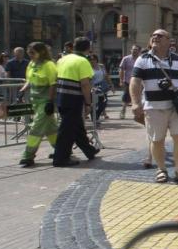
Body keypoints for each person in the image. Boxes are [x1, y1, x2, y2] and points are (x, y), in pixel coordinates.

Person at [131, 29, 178, 185]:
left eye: (160, 35)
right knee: (157, 141)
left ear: (169, 41)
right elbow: (135, 82)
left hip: (176, 107)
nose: (155, 37)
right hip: (153, 107)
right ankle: (161, 170)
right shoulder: (143, 59)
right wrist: (135, 102)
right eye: (153, 35)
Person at [52, 37, 100, 167]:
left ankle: (89, 151)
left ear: (73, 46)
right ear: (88, 48)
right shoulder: (83, 61)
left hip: (61, 97)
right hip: (73, 99)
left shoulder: (62, 59)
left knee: (76, 126)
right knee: (67, 130)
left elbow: (55, 79)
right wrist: (88, 103)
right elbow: (85, 84)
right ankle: (60, 158)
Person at [18, 42, 59, 167]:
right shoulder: (31, 64)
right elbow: (29, 80)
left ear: (41, 52)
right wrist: (22, 90)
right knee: (50, 129)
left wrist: (50, 102)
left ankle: (28, 155)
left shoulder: (49, 65)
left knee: (36, 127)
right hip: (35, 101)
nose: (29, 55)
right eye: (28, 52)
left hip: (45, 101)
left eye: (32, 53)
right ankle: (62, 149)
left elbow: (53, 84)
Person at [118, 45, 140, 119]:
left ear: (139, 51)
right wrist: (121, 80)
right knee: (126, 97)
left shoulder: (141, 59)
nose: (134, 51)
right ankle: (123, 111)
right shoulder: (126, 59)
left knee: (138, 98)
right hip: (128, 81)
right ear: (131, 50)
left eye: (136, 50)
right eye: (133, 49)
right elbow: (121, 70)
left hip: (139, 82)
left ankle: (137, 113)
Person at [89, 54, 111, 123]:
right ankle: (94, 119)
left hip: (102, 87)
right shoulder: (88, 67)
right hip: (93, 87)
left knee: (104, 102)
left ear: (96, 60)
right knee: (94, 104)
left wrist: (111, 85)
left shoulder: (101, 66)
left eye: (93, 59)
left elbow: (106, 76)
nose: (92, 61)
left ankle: (96, 117)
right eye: (91, 60)